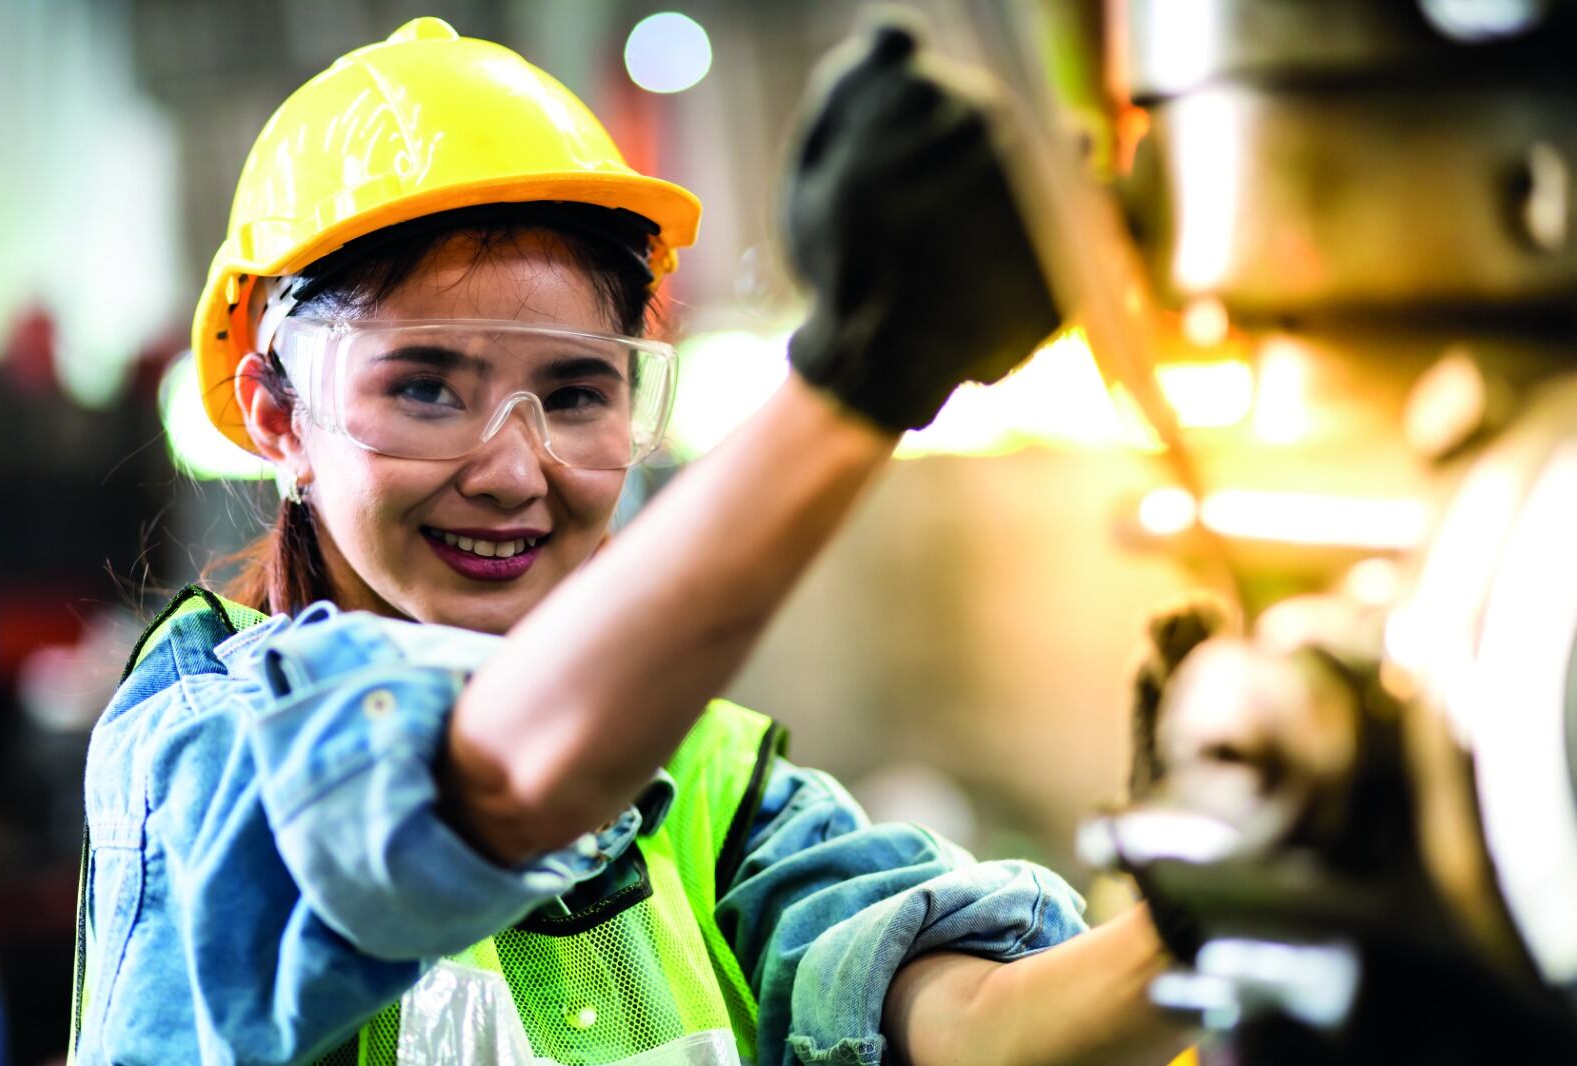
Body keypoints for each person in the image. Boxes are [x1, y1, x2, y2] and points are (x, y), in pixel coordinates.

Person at [72, 16, 1188, 1066]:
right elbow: (489, 786)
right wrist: (864, 379)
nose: (514, 470)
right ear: (279, 413)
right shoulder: (208, 753)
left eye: (573, 392)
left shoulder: (707, 789)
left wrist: (1218, 907)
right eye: (423, 388)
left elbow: (981, 1029)